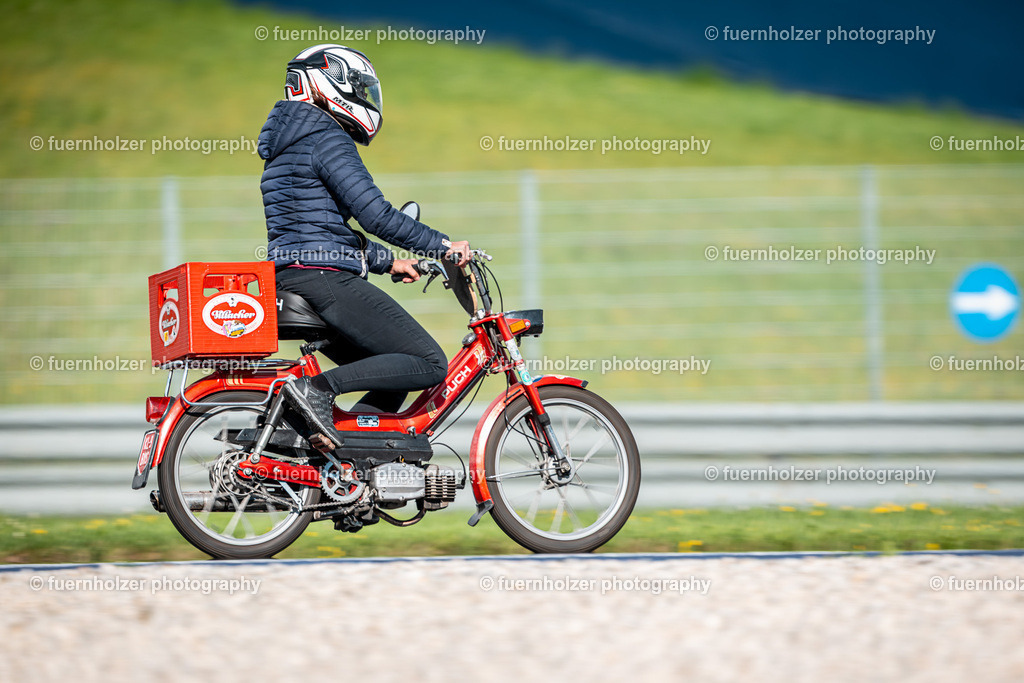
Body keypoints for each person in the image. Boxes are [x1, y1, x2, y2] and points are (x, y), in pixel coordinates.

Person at [257, 44, 470, 449]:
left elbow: (320, 226)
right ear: (330, 81)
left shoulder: (287, 146)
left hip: (295, 275)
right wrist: (442, 246)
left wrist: (388, 263)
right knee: (427, 363)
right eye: (359, 87)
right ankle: (314, 390)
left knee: (391, 377)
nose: (365, 98)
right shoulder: (326, 138)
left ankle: (344, 469)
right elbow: (377, 216)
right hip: (322, 278)